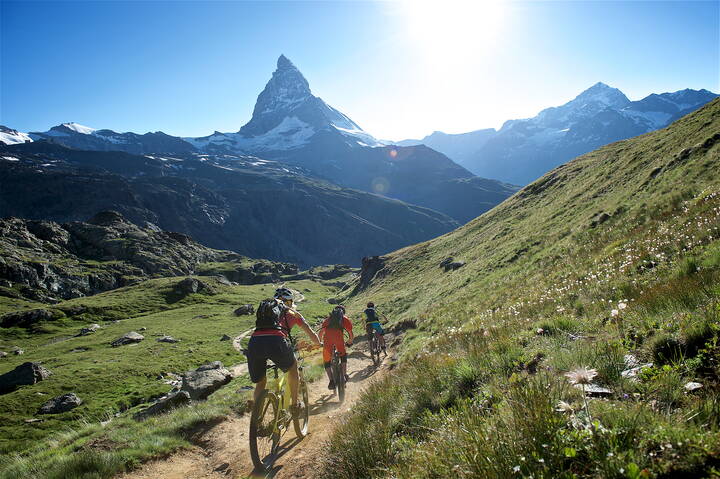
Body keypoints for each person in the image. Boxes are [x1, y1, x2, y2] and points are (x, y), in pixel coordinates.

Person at [246, 287, 321, 415]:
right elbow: (310, 332)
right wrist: (318, 343)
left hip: (255, 343)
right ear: (290, 302)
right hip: (277, 342)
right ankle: (295, 405)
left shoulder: (267, 313)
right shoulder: (293, 313)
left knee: (261, 382)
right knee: (293, 368)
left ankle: (256, 418)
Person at [318, 305, 354, 390]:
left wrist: (320, 342)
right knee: (343, 356)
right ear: (343, 312)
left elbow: (320, 333)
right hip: (339, 340)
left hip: (327, 341)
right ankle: (344, 375)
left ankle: (331, 381)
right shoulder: (345, 319)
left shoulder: (328, 320)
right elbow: (350, 333)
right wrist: (350, 341)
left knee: (326, 361)